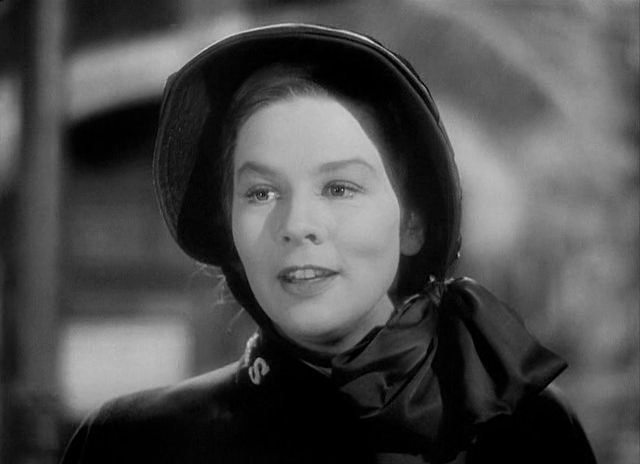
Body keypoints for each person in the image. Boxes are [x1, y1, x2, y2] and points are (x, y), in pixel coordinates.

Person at [60, 24, 597, 464]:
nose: (297, 225)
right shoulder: (133, 445)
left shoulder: (525, 432)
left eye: (339, 188)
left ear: (413, 223)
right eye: (262, 192)